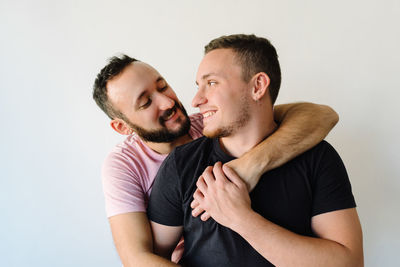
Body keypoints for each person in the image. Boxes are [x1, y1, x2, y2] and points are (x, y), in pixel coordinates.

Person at [92, 54, 339, 266]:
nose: (168, 102)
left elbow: (321, 115)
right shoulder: (123, 166)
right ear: (122, 127)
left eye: (163, 86)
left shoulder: (214, 123)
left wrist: (249, 166)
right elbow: (137, 259)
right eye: (146, 102)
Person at [147, 34, 363, 267]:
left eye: (211, 83)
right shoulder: (182, 163)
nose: (196, 100)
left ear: (258, 86)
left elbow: (349, 263)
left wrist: (241, 219)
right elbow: (151, 258)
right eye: (198, 86)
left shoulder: (318, 158)